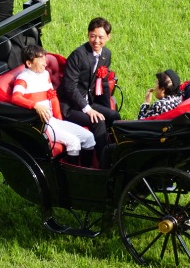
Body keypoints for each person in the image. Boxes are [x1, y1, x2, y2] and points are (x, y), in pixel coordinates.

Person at [11, 45, 96, 166]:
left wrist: (59, 119)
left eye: (44, 58)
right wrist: (35, 105)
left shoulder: (45, 74)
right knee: (74, 142)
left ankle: (87, 172)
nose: (44, 63)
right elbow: (16, 97)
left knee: (89, 137)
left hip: (53, 121)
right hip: (41, 124)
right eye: (40, 59)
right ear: (29, 63)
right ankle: (71, 180)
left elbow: (52, 96)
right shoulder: (23, 78)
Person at [58, 17, 121, 168]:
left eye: (101, 37)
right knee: (97, 121)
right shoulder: (78, 56)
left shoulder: (106, 54)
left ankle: (118, 153)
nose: (96, 41)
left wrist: (106, 109)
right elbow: (69, 87)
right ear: (88, 35)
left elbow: (103, 83)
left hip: (89, 103)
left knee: (114, 116)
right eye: (93, 36)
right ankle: (104, 164)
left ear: (108, 37)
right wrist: (88, 109)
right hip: (71, 107)